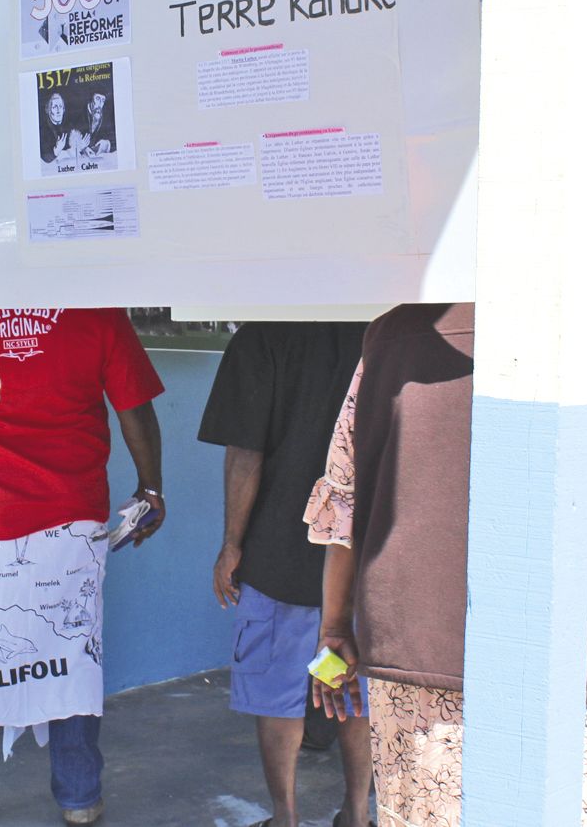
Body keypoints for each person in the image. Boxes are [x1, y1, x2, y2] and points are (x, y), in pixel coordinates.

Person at [308, 305, 587, 827]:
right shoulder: (583, 346)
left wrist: (335, 626)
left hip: (412, 663)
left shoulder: (387, 342)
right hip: (559, 667)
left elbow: (345, 501)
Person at [0, 288, 165, 827]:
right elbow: (136, 410)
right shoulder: (94, 307)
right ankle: (80, 797)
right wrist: (151, 488)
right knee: (75, 649)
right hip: (74, 517)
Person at [197, 323, 374, 827]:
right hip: (358, 553)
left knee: (280, 695)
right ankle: (357, 814)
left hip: (282, 558)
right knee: (346, 686)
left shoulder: (263, 335)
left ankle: (286, 817)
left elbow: (245, 453)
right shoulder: (381, 330)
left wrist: (231, 543)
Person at [40, 91, 72, 167]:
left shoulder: (69, 126)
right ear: (48, 110)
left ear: (63, 109)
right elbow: (44, 158)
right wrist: (56, 151)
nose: (58, 111)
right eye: (54, 107)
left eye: (60, 106)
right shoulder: (43, 130)